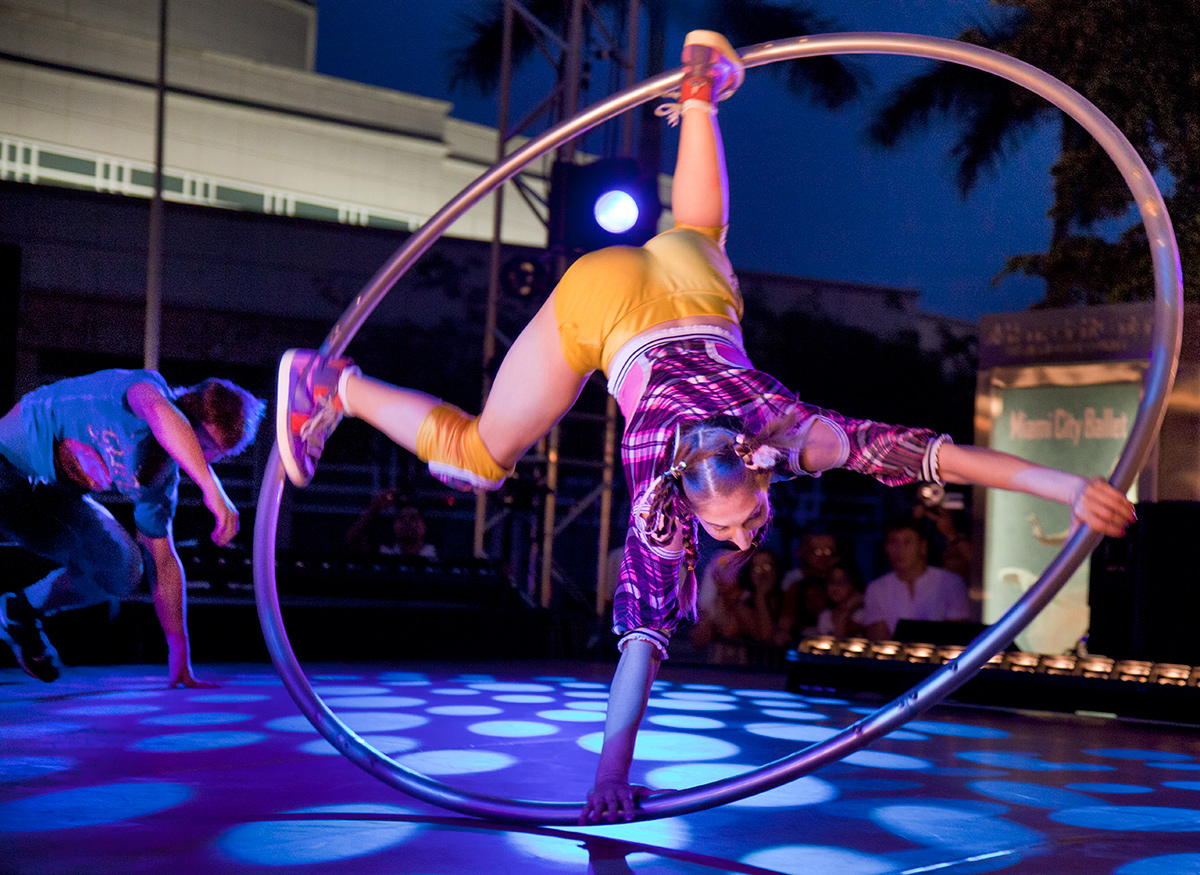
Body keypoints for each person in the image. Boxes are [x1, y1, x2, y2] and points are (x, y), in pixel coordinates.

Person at [274, 31, 1135, 824]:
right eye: (744, 526)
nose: (739, 536)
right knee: (476, 459)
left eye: (731, 528)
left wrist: (1069, 487)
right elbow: (644, 648)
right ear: (755, 481)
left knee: (700, 235)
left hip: (655, 285)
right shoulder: (712, 474)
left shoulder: (790, 434)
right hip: (613, 303)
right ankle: (335, 386)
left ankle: (699, 93)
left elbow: (930, 454)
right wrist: (606, 771)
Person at [0, 369, 264, 687]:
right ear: (187, 412)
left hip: (46, 501)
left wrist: (179, 655)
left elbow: (163, 563)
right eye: (207, 447)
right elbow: (159, 412)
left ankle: (20, 610)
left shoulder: (158, 478)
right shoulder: (144, 390)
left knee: (123, 566)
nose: (207, 460)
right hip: (7, 465)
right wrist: (211, 487)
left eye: (217, 457)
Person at [861, 516, 970, 640]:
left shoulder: (952, 583)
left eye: (907, 542)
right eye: (893, 542)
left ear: (923, 546)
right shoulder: (876, 588)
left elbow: (956, 636)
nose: (899, 550)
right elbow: (879, 641)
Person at [347, 488, 438, 558]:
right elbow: (353, 541)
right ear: (395, 525)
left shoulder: (436, 555)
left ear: (424, 526)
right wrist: (374, 509)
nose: (407, 522)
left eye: (413, 518)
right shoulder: (386, 553)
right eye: (401, 518)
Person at [815, 563, 867, 639]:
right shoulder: (825, 616)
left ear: (853, 585)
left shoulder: (863, 614)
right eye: (832, 581)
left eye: (842, 582)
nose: (835, 587)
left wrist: (847, 611)